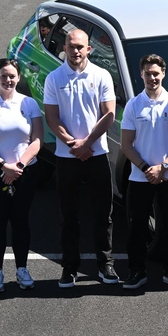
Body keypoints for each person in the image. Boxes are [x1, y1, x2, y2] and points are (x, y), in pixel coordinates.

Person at [43, 29, 117, 288]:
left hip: (97, 155)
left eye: (80, 47)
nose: (75, 51)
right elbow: (52, 117)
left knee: (103, 215)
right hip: (67, 157)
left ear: (89, 49)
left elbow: (109, 115)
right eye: (71, 46)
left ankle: (105, 264)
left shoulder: (101, 75)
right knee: (68, 216)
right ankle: (69, 267)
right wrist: (73, 144)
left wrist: (87, 144)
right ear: (64, 47)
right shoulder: (54, 78)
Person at [119, 54, 168, 291]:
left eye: (156, 73)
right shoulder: (133, 105)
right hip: (140, 177)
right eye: (148, 73)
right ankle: (136, 271)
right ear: (141, 75)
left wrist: (164, 167)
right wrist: (146, 169)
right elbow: (126, 145)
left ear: (163, 74)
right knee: (137, 226)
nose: (152, 78)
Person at [0, 59, 42, 293]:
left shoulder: (29, 104)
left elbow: (37, 140)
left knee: (20, 220)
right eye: (4, 75)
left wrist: (18, 166)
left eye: (12, 76)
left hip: (24, 171)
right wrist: (3, 166)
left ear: (18, 78)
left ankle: (22, 269)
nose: (8, 80)